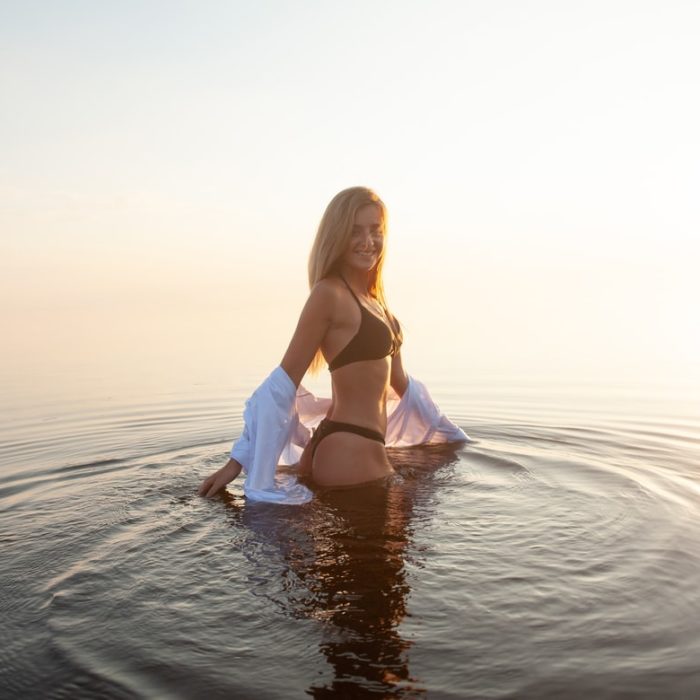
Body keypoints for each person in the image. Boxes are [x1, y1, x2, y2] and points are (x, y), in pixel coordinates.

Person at [199, 187, 467, 501]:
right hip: (348, 448)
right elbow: (283, 382)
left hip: (353, 447)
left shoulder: (376, 302)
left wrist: (449, 435)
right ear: (337, 236)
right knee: (382, 549)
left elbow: (403, 388)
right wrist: (238, 461)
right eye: (356, 231)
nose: (368, 242)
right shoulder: (329, 295)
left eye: (375, 231)